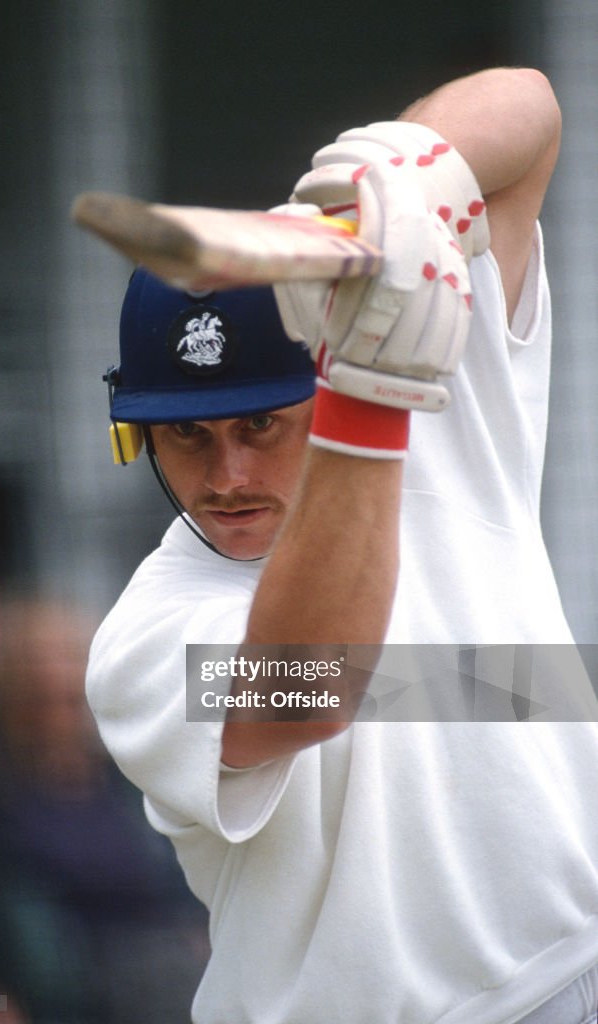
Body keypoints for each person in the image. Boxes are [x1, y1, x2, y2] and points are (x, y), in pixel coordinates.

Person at [86, 68, 598, 1024]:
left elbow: (529, 108)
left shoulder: (442, 381)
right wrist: (372, 396)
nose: (227, 475)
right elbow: (320, 689)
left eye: (263, 425)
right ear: (137, 437)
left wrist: (397, 193)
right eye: (186, 435)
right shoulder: (142, 644)